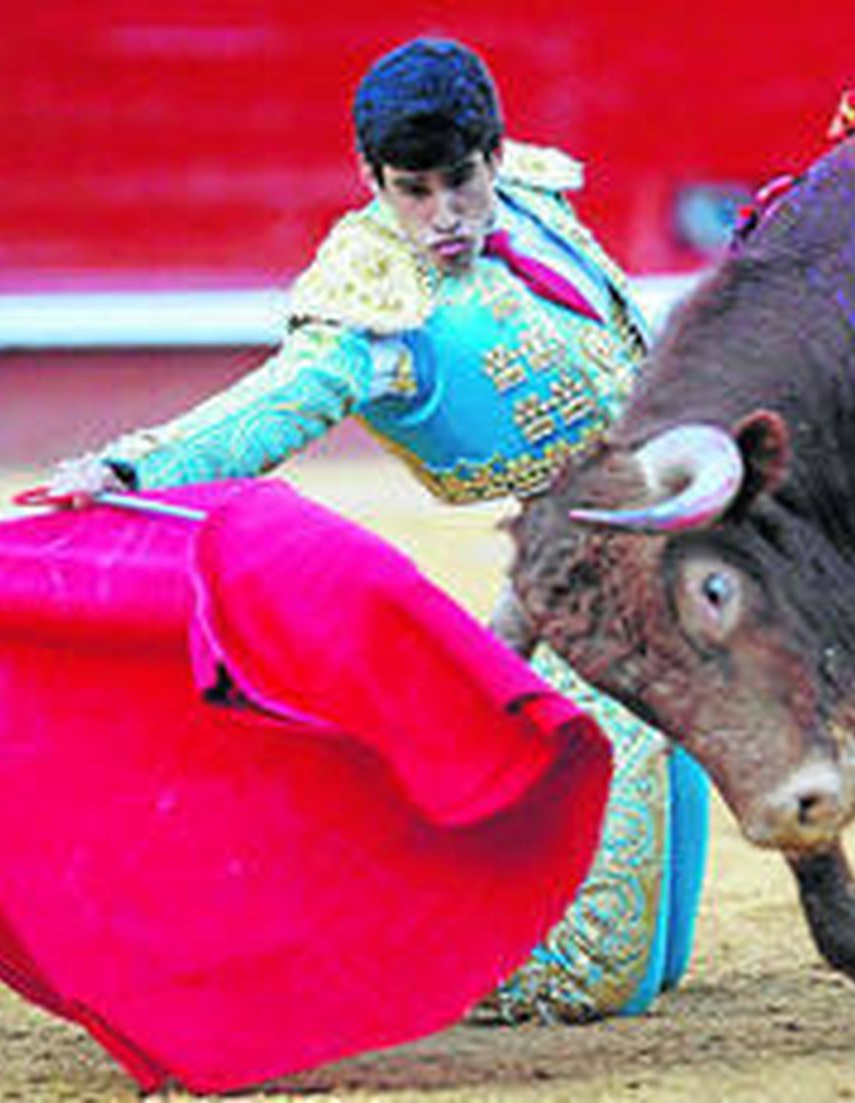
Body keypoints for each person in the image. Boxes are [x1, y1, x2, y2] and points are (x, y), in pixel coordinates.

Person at [47, 36, 709, 1025]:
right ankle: (425, 971)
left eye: (459, 182)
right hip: (579, 583)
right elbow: (276, 403)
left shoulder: (530, 193)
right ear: (372, 180)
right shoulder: (373, 306)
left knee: (660, 958)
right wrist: (134, 465)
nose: (442, 217)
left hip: (661, 539)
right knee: (592, 975)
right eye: (413, 191)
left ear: (496, 154)